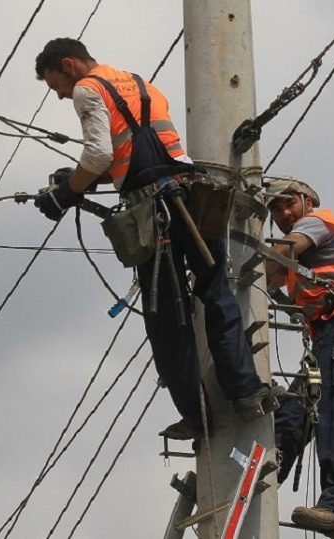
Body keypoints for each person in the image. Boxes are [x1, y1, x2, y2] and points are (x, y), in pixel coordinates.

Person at [32, 38, 278, 440]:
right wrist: (80, 184)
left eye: (54, 84)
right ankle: (247, 392)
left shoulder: (86, 89)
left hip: (154, 211)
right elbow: (137, 148)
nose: (59, 95)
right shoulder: (139, 82)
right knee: (216, 293)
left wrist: (64, 194)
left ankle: (198, 417)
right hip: (193, 197)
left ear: (68, 65)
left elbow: (98, 156)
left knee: (167, 317)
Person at [262, 177, 334, 539]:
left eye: (288, 203)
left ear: (307, 201)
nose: (283, 213)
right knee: (293, 415)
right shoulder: (300, 246)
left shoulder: (315, 223)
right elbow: (266, 279)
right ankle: (260, 483)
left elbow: (284, 253)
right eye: (275, 209)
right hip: (328, 337)